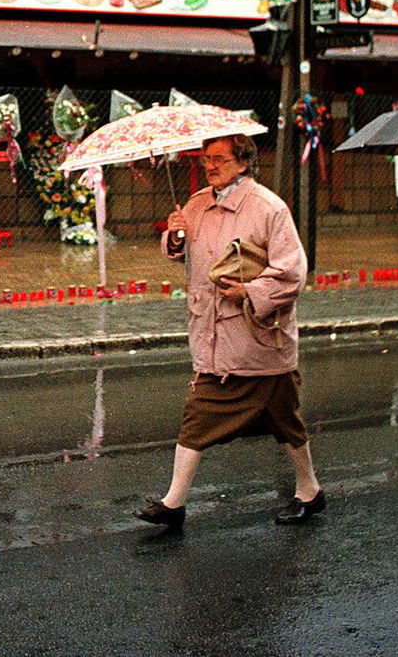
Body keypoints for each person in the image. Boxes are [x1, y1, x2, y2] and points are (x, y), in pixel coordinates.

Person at [135, 133, 326, 531]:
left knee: (286, 423)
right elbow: (183, 254)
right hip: (212, 334)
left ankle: (308, 491)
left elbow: (293, 272)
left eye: (219, 158)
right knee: (200, 415)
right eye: (206, 158)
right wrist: (175, 235)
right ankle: (175, 503)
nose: (210, 165)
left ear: (243, 162)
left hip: (258, 340)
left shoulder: (268, 208)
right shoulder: (197, 203)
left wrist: (250, 292)